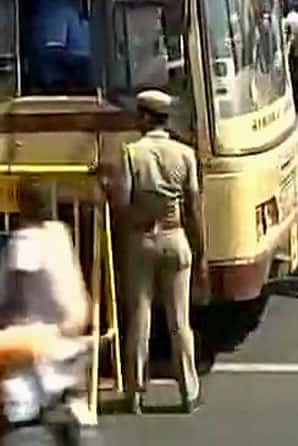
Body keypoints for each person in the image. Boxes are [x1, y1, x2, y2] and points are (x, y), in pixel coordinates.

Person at [109, 90, 205, 414]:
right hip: (176, 238)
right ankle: (189, 390)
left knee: (141, 317)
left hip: (142, 240)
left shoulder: (131, 154)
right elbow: (194, 208)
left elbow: (122, 205)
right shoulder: (185, 154)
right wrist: (200, 251)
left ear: (147, 118)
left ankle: (135, 392)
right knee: (180, 321)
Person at [0, 179, 93, 445]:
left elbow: (7, 298)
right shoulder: (59, 234)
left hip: (36, 350)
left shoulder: (25, 243)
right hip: (69, 343)